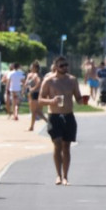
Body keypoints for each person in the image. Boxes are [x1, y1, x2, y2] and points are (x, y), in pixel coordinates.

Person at [38, 56, 83, 185]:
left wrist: (82, 100)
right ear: (56, 66)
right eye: (62, 65)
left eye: (66, 65)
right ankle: (58, 175)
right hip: (55, 116)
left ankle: (65, 176)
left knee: (66, 146)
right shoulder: (49, 81)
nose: (64, 67)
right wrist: (51, 101)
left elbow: (78, 97)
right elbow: (40, 100)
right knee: (57, 144)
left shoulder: (72, 80)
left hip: (68, 116)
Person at [25, 61, 46, 132]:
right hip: (34, 94)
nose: (30, 67)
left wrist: (33, 89)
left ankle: (48, 122)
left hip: (36, 93)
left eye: (32, 66)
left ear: (35, 68)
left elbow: (39, 82)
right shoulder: (32, 74)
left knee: (35, 111)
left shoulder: (37, 75)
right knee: (36, 111)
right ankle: (32, 126)